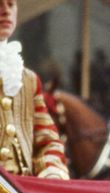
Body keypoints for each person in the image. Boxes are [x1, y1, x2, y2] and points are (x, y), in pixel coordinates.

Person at [0, 0, 68, 179]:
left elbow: (47, 140)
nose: (6, 11)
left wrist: (52, 173)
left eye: (11, 4)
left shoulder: (28, 79)